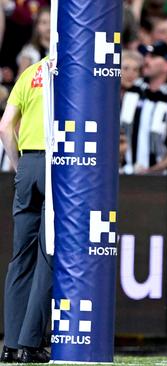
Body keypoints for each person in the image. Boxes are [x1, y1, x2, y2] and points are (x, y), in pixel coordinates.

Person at [0, 58, 51, 363]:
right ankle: (29, 345)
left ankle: (10, 343)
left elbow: (5, 127)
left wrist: (21, 167)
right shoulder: (74, 68)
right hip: (58, 164)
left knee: (21, 258)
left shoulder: (32, 72)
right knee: (49, 255)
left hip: (28, 164)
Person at [120, 41, 167, 174]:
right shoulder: (131, 89)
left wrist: (154, 170)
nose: (146, 60)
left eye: (153, 57)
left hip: (159, 177)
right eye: (147, 56)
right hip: (123, 173)